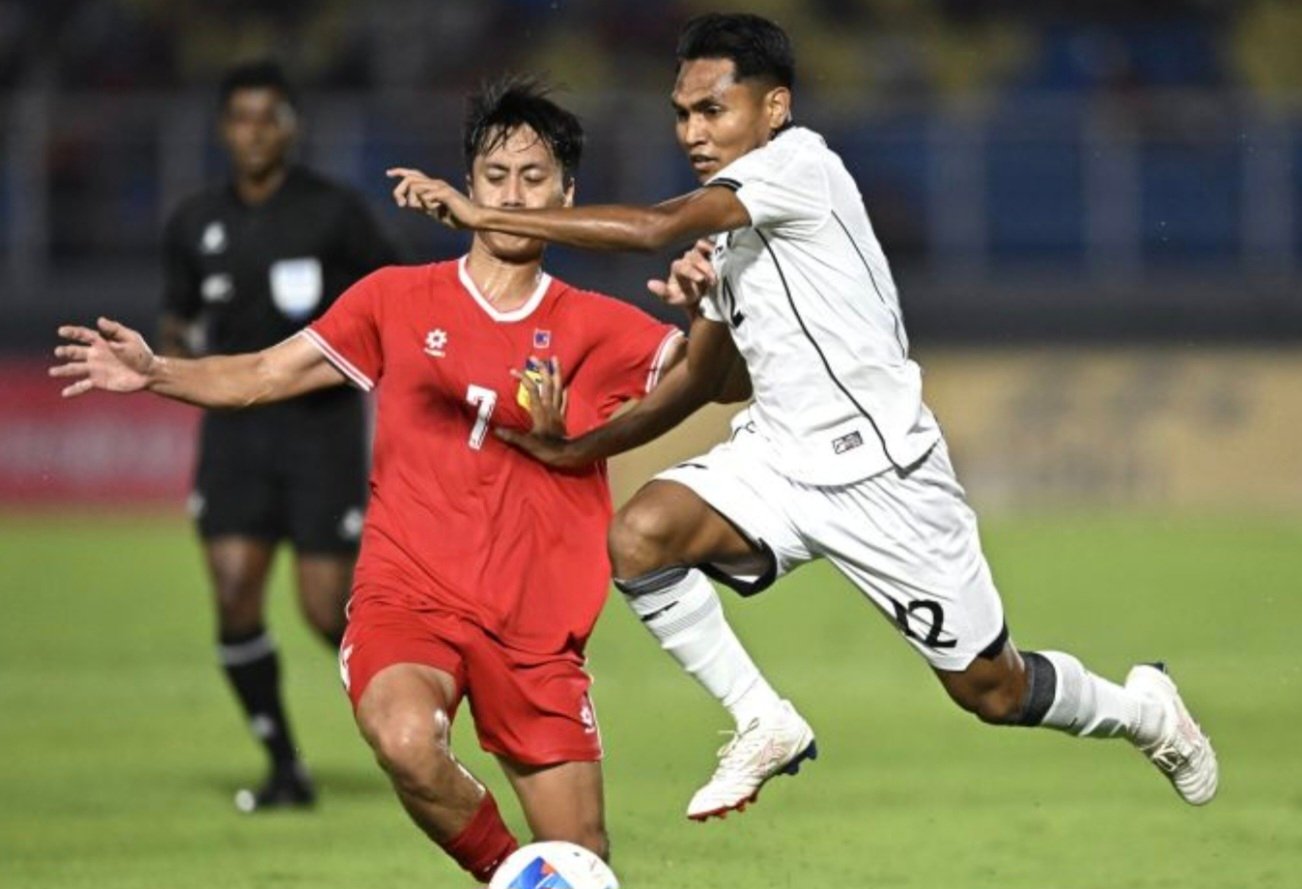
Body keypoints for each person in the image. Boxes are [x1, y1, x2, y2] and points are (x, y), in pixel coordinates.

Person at [386, 11, 1220, 821]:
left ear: (773, 107)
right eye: (681, 113)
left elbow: (651, 227)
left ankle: (1143, 711)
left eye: (713, 109)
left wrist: (486, 214)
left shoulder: (798, 166)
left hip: (883, 477)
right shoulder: (733, 233)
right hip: (781, 459)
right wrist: (589, 442)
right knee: (642, 536)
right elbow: (710, 381)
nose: (693, 132)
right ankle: (762, 717)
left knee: (991, 690)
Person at [54, 78, 691, 884]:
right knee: (404, 738)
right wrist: (155, 372)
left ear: (568, 193)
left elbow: (715, 380)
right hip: (410, 598)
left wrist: (712, 312)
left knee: (586, 859)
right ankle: (509, 875)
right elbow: (259, 373)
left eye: (535, 179)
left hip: (535, 629)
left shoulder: (598, 323)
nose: (513, 194)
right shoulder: (396, 298)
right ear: (469, 187)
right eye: (496, 176)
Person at [159, 61, 399, 812]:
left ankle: (415, 727)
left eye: (268, 118)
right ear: (225, 128)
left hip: (319, 434)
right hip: (234, 436)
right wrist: (180, 352)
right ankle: (284, 765)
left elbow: (390, 302)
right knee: (234, 592)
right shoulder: (195, 221)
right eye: (240, 118)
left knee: (328, 610)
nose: (253, 132)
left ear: (290, 127)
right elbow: (176, 315)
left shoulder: (334, 214)